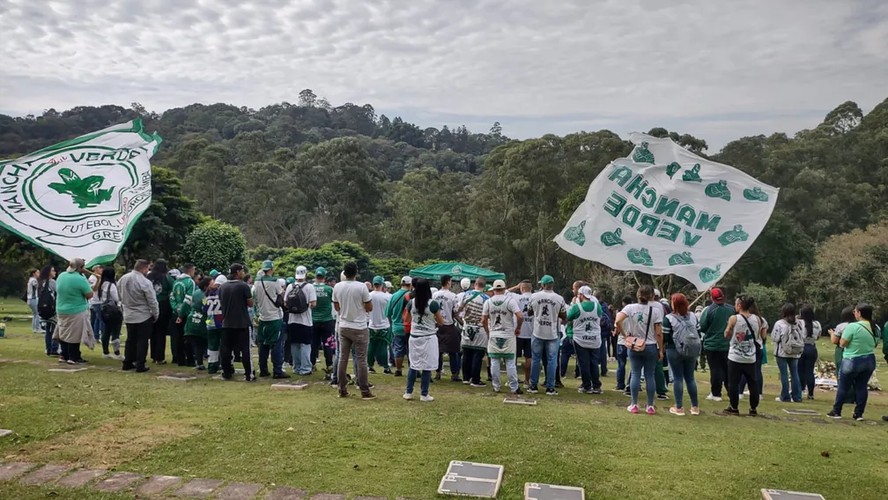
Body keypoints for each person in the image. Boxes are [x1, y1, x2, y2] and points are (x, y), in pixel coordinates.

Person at [614, 285, 663, 414]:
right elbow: (658, 333)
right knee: (649, 375)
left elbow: (618, 320)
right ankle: (650, 405)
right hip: (651, 345)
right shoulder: (656, 310)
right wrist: (661, 349)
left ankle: (634, 404)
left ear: (637, 295)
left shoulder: (630, 308)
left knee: (635, 373)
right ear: (652, 296)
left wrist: (625, 335)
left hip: (634, 344)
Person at [828, 304, 880, 420]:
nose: (855, 314)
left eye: (855, 312)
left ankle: (837, 411)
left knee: (843, 386)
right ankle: (858, 413)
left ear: (859, 313)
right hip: (869, 359)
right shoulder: (875, 327)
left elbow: (842, 343)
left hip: (852, 359)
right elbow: (876, 343)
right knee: (862, 386)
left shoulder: (852, 327)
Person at [332, 261, 376, 399]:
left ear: (344, 273)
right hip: (359, 326)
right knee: (361, 359)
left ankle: (342, 389)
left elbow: (337, 307)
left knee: (343, 358)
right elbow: (369, 307)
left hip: (343, 325)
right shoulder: (362, 287)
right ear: (356, 273)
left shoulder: (337, 287)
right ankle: (364, 390)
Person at [403, 278, 443, 401]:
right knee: (427, 366)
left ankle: (408, 392)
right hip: (428, 337)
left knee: (413, 365)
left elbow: (407, 320)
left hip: (414, 337)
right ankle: (424, 394)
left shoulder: (411, 303)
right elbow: (441, 322)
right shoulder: (433, 304)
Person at [723, 295, 764, 416]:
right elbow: (757, 336)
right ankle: (753, 408)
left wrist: (728, 331)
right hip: (750, 357)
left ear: (739, 305)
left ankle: (734, 406)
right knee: (753, 383)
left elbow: (727, 334)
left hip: (735, 356)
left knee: (733, 383)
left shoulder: (734, 318)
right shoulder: (757, 319)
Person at [526, 275, 567, 396]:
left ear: (542, 285)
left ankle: (533, 385)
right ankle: (550, 387)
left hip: (537, 332)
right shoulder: (559, 298)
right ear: (552, 285)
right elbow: (564, 316)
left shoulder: (534, 296)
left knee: (536, 359)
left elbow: (529, 312)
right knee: (552, 360)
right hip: (552, 333)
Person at [482, 279, 523, 394]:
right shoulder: (510, 301)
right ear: (504, 289)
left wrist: (487, 331)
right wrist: (518, 328)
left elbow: (483, 320)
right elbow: (520, 316)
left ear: (494, 290)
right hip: (508, 334)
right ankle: (514, 387)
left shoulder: (488, 302)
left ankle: (496, 386)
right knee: (510, 362)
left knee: (494, 361)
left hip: (494, 334)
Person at [118, 259, 158, 372]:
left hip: (128, 313)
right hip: (142, 314)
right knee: (142, 340)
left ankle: (127, 362)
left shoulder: (123, 279)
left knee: (130, 339)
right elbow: (152, 300)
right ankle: (140, 364)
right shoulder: (145, 282)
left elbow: (119, 294)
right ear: (144, 268)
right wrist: (155, 314)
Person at [663, 293, 700, 416]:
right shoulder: (693, 316)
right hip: (691, 350)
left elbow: (666, 337)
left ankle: (679, 407)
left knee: (678, 378)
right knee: (690, 378)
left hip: (674, 350)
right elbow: (698, 331)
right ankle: (695, 407)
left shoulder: (669, 318)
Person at [55, 258, 95, 364]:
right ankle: (74, 357)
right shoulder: (80, 279)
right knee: (74, 334)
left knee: (63, 332)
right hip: (76, 310)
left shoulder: (61, 275)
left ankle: (64, 355)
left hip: (61, 309)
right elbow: (89, 294)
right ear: (80, 267)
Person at [219, 263, 255, 381]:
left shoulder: (222, 287)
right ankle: (249, 374)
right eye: (242, 271)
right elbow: (250, 303)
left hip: (227, 322)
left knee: (226, 349)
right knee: (245, 350)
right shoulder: (243, 286)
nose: (243, 273)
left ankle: (227, 372)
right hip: (242, 322)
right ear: (238, 272)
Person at [254, 260, 288, 379]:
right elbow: (281, 295)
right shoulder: (275, 281)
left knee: (263, 345)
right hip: (275, 317)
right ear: (271, 269)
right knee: (277, 344)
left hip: (263, 317)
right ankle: (277, 370)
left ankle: (263, 369)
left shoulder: (256, 282)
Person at [567, 286, 603, 394]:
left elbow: (568, 317)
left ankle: (587, 386)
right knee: (594, 363)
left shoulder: (577, 307)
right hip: (595, 339)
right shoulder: (598, 306)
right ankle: (596, 386)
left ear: (582, 295)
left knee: (584, 363)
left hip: (580, 339)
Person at [700, 288, 733, 402]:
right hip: (727, 344)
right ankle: (731, 392)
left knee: (715, 370)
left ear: (711, 298)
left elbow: (703, 327)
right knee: (727, 369)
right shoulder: (732, 309)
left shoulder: (709, 310)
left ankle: (716, 393)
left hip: (712, 344)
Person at [285, 266, 317, 376]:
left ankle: (296, 367)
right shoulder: (309, 287)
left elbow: (285, 303)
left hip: (292, 320)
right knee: (305, 345)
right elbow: (313, 304)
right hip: (305, 321)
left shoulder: (290, 286)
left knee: (294, 344)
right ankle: (305, 368)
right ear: (306, 274)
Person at [459, 277, 489, 388]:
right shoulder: (486, 298)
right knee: (478, 353)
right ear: (484, 286)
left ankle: (465, 377)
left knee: (466, 353)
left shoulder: (466, 295)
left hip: (467, 325)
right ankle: (475, 379)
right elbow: (486, 316)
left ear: (474, 284)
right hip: (479, 327)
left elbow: (459, 309)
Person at [772, 303, 803, 403]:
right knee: (795, 374)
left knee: (784, 374)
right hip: (795, 352)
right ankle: (797, 396)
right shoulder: (799, 323)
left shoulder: (780, 323)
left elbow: (775, 337)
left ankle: (785, 396)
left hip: (782, 352)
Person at [433, 274, 461, 382]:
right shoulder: (453, 296)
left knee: (438, 351)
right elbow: (455, 311)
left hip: (437, 325)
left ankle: (437, 372)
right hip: (448, 324)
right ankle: (454, 373)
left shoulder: (435, 295)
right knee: (453, 351)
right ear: (448, 282)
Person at [146, 259, 174, 365]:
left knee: (152, 332)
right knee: (161, 332)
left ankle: (153, 355)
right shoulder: (167, 278)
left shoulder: (149, 277)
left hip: (150, 306)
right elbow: (173, 288)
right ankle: (160, 358)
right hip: (163, 306)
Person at [385, 276, 412, 376]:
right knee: (411, 349)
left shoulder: (394, 296)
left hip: (397, 326)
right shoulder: (412, 296)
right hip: (409, 326)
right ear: (411, 284)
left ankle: (398, 369)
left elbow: (388, 313)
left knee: (398, 348)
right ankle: (413, 370)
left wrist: (393, 323)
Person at [170, 263, 197, 366]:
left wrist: (176, 309)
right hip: (185, 314)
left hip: (175, 313)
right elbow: (188, 300)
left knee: (178, 337)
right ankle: (190, 360)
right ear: (190, 270)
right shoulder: (190, 282)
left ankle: (180, 359)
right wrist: (181, 314)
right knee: (188, 337)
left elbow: (172, 298)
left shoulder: (176, 281)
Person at [311, 267, 336, 373]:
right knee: (328, 343)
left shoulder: (310, 288)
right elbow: (335, 301)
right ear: (325, 277)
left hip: (313, 320)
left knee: (314, 344)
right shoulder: (329, 289)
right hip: (327, 320)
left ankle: (312, 364)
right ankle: (329, 364)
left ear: (316, 276)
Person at [185, 277, 212, 371]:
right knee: (204, 342)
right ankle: (210, 362)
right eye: (211, 284)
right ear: (206, 286)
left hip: (192, 319)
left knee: (197, 344)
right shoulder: (205, 296)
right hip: (202, 321)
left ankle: (199, 362)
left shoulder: (196, 292)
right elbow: (206, 308)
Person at [368, 276, 392, 374]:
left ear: (373, 284)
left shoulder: (369, 295)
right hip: (384, 324)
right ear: (382, 285)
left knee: (371, 346)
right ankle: (385, 367)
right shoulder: (388, 297)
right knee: (383, 347)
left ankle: (370, 366)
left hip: (371, 324)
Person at [96, 267, 122, 359]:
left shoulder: (101, 285)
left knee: (106, 331)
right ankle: (117, 352)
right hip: (113, 310)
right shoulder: (112, 285)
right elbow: (116, 298)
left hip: (104, 309)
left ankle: (105, 351)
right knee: (116, 331)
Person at [798, 305, 821, 400]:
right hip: (812, 347)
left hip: (801, 346)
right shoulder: (817, 324)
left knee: (799, 370)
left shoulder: (799, 323)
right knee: (809, 371)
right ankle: (810, 393)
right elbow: (818, 336)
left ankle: (800, 390)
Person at [205, 274, 226, 374]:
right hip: (221, 322)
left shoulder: (207, 294)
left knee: (212, 345)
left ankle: (211, 366)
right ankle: (225, 364)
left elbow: (203, 308)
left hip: (209, 322)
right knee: (224, 344)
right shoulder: (223, 293)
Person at [514, 281, 534, 385]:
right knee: (529, 357)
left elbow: (502, 292)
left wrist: (516, 287)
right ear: (531, 288)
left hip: (518, 331)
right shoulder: (535, 297)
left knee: (514, 358)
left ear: (521, 288)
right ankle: (527, 380)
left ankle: (514, 379)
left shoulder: (516, 298)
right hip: (531, 333)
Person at [613, 295, 633, 394]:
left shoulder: (621, 314)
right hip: (632, 340)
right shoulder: (634, 314)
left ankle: (620, 384)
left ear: (623, 303)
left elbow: (616, 328)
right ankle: (631, 385)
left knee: (621, 364)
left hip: (622, 340)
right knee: (633, 365)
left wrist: (618, 333)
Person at [38, 265, 59, 357]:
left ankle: (48, 348)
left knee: (48, 329)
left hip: (43, 308)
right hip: (52, 308)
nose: (55, 272)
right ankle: (54, 348)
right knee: (54, 328)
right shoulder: (52, 282)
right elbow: (58, 292)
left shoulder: (41, 282)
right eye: (53, 271)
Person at [87, 265, 104, 342]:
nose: (102, 269)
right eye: (100, 268)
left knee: (97, 319)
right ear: (96, 269)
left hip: (98, 300)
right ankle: (100, 335)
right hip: (96, 300)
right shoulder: (92, 278)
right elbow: (94, 289)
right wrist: (98, 280)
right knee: (101, 319)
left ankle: (96, 336)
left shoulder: (100, 277)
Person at [26, 269, 40, 334]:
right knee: (37, 314)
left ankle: (34, 328)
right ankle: (37, 328)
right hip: (33, 299)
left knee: (35, 314)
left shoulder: (30, 279)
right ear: (34, 273)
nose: (39, 274)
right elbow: (37, 287)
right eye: (38, 272)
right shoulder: (33, 280)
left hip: (30, 299)